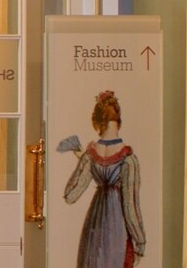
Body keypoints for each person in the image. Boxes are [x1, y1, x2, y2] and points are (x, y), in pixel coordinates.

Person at [59, 90, 146, 267]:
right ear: (119, 121)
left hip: (94, 226)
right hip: (117, 230)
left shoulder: (90, 155)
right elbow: (130, 208)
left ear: (98, 122)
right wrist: (140, 242)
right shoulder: (128, 159)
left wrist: (83, 162)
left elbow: (70, 195)